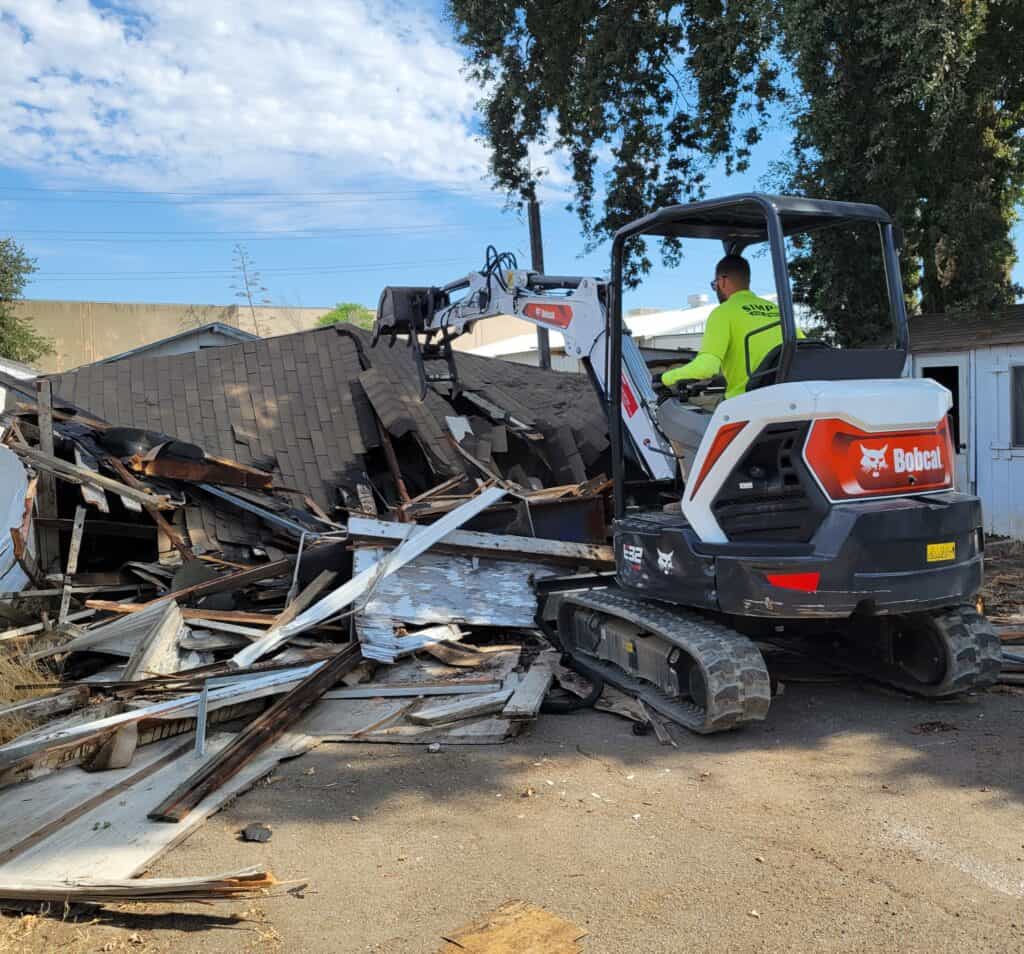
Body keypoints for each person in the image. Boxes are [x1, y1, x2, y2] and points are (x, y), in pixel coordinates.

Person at [661, 255, 796, 399]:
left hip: (745, 404)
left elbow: (706, 368)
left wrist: (665, 378)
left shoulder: (723, 312)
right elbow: (799, 352)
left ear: (722, 281)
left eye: (715, 284)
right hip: (786, 399)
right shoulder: (778, 311)